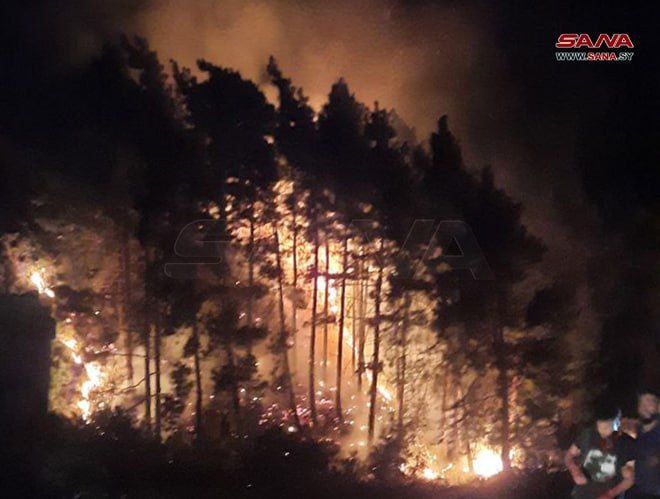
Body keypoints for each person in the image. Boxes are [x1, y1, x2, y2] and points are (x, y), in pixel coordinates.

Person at [565, 402, 635, 499]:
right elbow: (569, 456)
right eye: (600, 427)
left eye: (607, 427)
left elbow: (630, 479)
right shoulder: (587, 434)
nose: (603, 432)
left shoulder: (627, 444)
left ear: (617, 423)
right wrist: (574, 470)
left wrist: (609, 494)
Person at [628, 388, 660, 499]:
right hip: (636, 491)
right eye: (641, 403)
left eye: (650, 402)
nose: (644, 407)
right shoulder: (638, 430)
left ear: (658, 407)